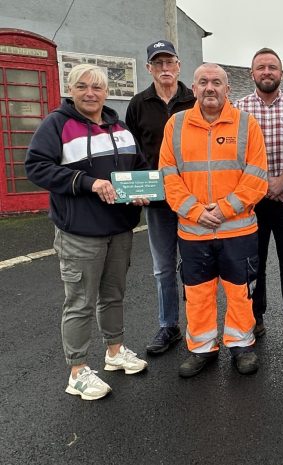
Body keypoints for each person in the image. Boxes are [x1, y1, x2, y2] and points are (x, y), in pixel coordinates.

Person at [25, 64, 149, 400]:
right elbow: (36, 166)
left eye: (97, 87)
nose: (90, 93)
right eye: (82, 87)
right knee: (80, 302)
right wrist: (87, 182)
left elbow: (136, 167)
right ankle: (77, 371)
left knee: (113, 295)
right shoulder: (57, 124)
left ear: (106, 91)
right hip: (80, 231)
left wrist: (142, 189)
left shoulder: (120, 126)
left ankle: (114, 351)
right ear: (71, 89)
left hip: (120, 229)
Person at [159, 63, 268, 378]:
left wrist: (223, 209)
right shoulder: (176, 125)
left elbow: (256, 175)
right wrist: (195, 210)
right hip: (194, 232)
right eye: (203, 82)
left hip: (238, 229)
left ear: (227, 89)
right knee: (198, 293)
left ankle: (241, 345)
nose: (210, 87)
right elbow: (169, 174)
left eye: (217, 82)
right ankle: (202, 349)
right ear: (193, 88)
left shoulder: (247, 124)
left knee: (240, 292)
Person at [234, 48, 283, 347]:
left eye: (273, 67)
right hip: (250, 201)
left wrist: (281, 182)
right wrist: (264, 185)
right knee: (255, 264)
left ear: (281, 72)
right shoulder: (238, 109)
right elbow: (235, 156)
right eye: (261, 67)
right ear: (252, 73)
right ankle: (256, 319)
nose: (267, 72)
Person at [126, 39, 195, 354]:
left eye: (170, 62)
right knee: (163, 267)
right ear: (149, 68)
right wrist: (135, 188)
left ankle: (198, 324)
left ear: (179, 66)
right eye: (158, 63)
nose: (165, 69)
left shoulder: (194, 100)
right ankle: (169, 326)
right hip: (157, 202)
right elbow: (132, 153)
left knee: (196, 265)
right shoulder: (138, 104)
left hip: (195, 200)